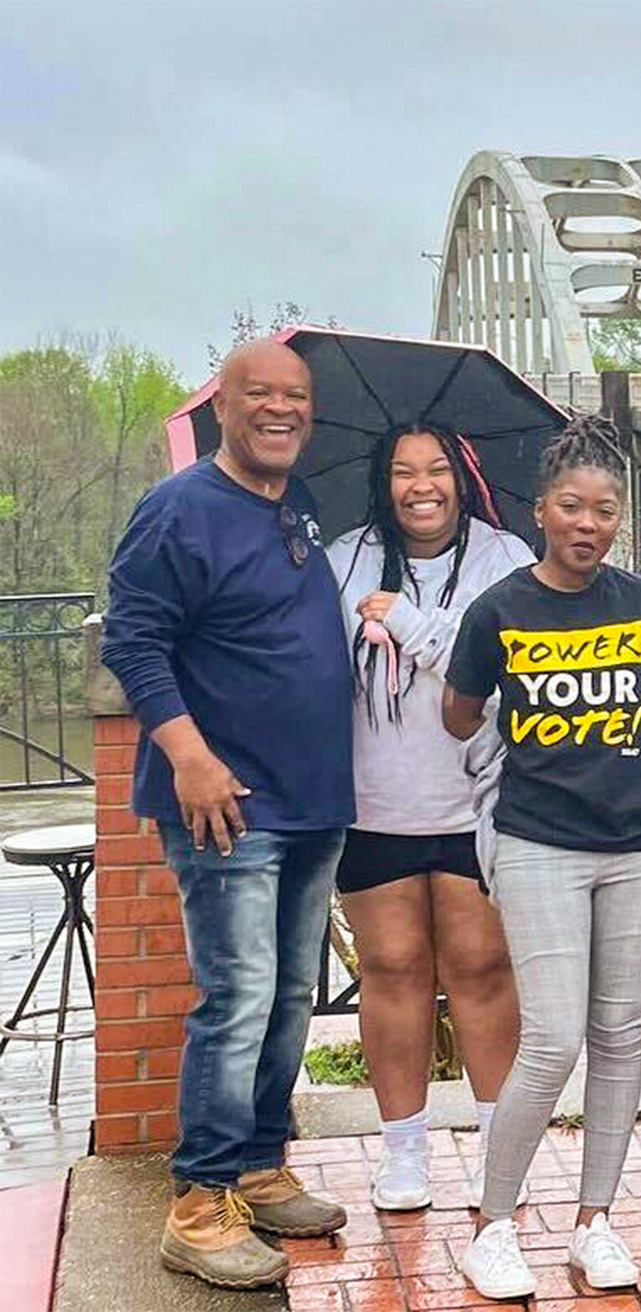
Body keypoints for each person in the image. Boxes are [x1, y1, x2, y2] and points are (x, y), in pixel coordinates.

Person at [102, 339, 353, 1289]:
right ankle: (199, 1203)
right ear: (223, 409)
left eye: (296, 397)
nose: (281, 410)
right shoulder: (178, 511)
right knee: (238, 996)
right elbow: (132, 639)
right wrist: (190, 757)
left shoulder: (298, 505)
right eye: (262, 395)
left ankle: (256, 1163)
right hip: (228, 804)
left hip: (312, 799)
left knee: (290, 996)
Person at [444, 416, 641, 1300]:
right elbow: (458, 714)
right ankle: (493, 1224)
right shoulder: (500, 609)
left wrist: (611, 759)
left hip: (636, 844)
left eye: (607, 510)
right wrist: (548, 741)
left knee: (621, 1036)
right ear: (542, 511)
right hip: (538, 841)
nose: (590, 524)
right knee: (550, 1038)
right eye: (573, 507)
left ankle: (595, 1223)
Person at [325, 425, 535, 1212]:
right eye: (404, 471)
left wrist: (415, 625)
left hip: (476, 799)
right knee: (393, 969)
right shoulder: (344, 558)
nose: (422, 485)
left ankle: (497, 1147)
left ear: (463, 475)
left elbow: (516, 663)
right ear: (384, 481)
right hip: (374, 801)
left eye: (438, 468)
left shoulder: (505, 559)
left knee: (483, 969)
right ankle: (403, 1152)